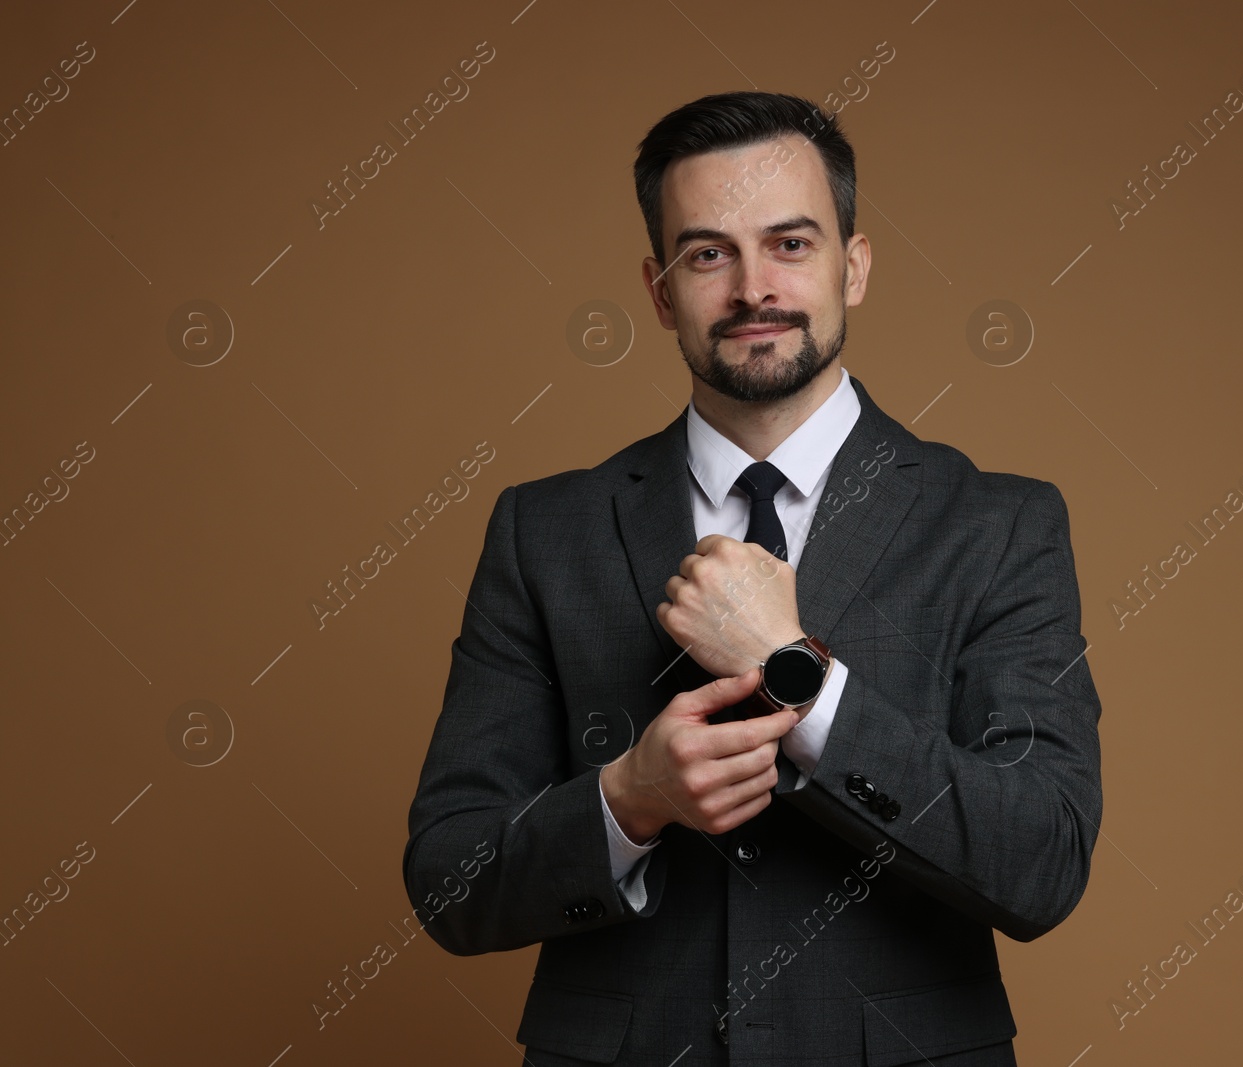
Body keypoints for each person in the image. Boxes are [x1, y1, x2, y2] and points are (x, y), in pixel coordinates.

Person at [403, 90, 1103, 1066]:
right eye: (707, 253)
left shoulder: (998, 523)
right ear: (658, 290)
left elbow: (1041, 861)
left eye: (789, 244)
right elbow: (449, 879)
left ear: (852, 268)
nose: (750, 288)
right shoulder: (544, 529)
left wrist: (794, 673)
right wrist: (628, 798)